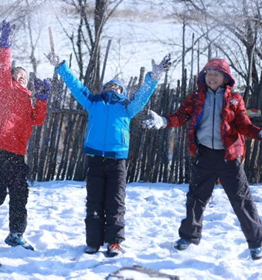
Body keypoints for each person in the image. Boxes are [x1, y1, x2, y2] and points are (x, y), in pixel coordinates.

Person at [142, 58, 262, 260]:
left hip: (229, 156)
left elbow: (243, 124)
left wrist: (260, 133)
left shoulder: (234, 99)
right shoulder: (197, 97)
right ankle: (188, 237)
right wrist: (163, 121)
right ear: (203, 76)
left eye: (217, 74)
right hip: (205, 154)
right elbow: (181, 116)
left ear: (226, 78)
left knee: (241, 200)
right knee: (196, 198)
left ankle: (257, 243)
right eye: (209, 74)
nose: (212, 78)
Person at [45, 50, 171, 257]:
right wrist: (61, 66)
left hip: (117, 161)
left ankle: (114, 242)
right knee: (94, 202)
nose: (112, 88)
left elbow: (142, 96)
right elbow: (75, 86)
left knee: (115, 202)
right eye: (109, 85)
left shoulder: (127, 107)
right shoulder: (93, 102)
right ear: (103, 89)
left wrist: (154, 77)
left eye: (116, 86)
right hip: (95, 160)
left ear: (122, 91)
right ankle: (93, 242)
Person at [0, 20, 50, 250]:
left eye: (25, 75)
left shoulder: (28, 99)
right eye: (18, 73)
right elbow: (3, 66)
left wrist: (42, 99)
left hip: (17, 153)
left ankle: (16, 234)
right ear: (12, 76)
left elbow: (38, 119)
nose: (22, 76)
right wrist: (5, 45)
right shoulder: (4, 88)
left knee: (20, 193)